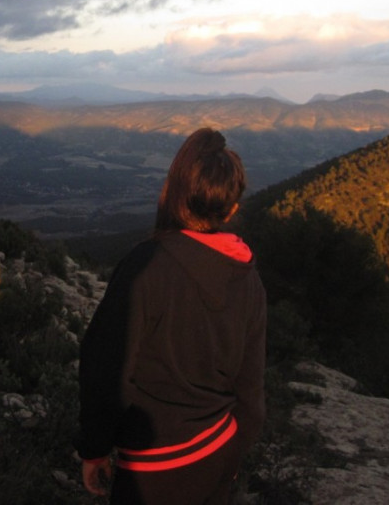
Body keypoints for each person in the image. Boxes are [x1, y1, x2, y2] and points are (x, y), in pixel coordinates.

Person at [76, 128, 266, 505]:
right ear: (232, 208)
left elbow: (105, 369)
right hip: (218, 452)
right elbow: (251, 387)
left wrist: (94, 450)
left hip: (153, 468)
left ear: (176, 193)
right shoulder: (249, 278)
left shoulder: (146, 267)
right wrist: (234, 452)